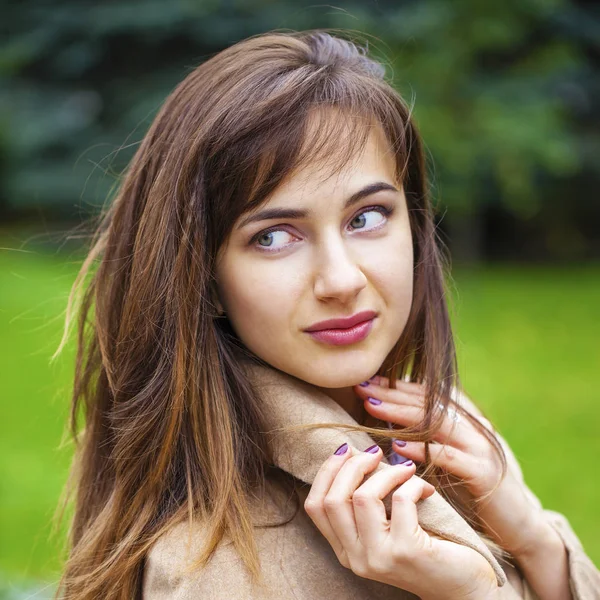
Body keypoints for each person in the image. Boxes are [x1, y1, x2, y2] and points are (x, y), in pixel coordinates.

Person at [54, 29, 600, 599]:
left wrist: (534, 537)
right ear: (204, 279)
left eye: (366, 217)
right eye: (273, 236)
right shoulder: (221, 572)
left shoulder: (446, 444)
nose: (341, 280)